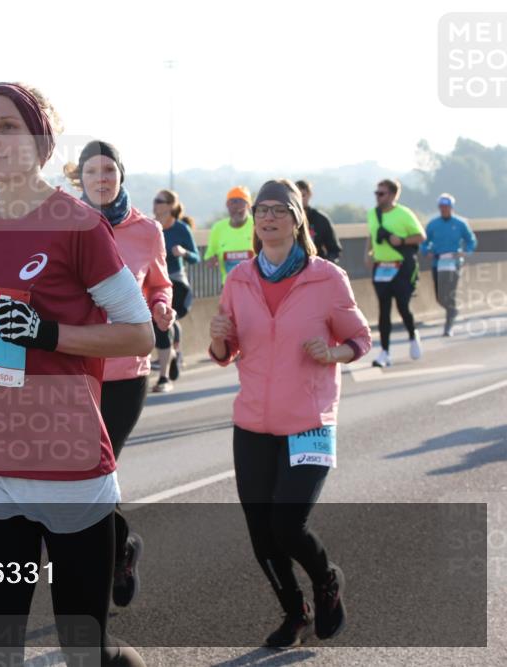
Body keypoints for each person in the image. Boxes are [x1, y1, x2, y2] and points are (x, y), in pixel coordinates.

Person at [0, 82, 149, 666]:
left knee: (82, 651)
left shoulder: (79, 225)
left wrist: (48, 334)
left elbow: (140, 333)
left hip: (69, 465)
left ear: (42, 141)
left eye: (7, 126)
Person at [209, 179, 371, 648]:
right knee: (261, 534)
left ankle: (326, 581)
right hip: (253, 424)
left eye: (280, 209)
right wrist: (219, 337)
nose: (268, 217)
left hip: (309, 422)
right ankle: (293, 611)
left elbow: (360, 340)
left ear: (297, 218)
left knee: (288, 524)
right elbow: (226, 347)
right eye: (262, 209)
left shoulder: (326, 278)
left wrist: (332, 353)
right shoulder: (239, 279)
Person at [65, 140, 172, 607]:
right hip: (75, 368)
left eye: (109, 171)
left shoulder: (146, 230)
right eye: (93, 172)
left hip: (127, 371)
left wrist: (162, 307)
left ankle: (108, 558)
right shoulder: (65, 225)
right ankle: (121, 545)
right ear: (81, 179)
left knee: (98, 467)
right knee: (80, 472)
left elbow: (159, 283)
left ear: (121, 176)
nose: (102, 179)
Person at [365, 178, 427, 367]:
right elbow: (371, 234)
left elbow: (420, 237)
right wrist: (368, 254)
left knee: (402, 306)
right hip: (381, 267)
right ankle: (385, 353)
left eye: (381, 193)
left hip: (402, 267)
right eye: (376, 193)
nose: (378, 196)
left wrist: (400, 241)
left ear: (392, 195)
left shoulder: (404, 214)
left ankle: (412, 333)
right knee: (383, 310)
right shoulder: (372, 214)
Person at [152, 189, 200, 391]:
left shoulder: (181, 229)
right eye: (154, 200)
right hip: (154, 281)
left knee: (164, 321)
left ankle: (164, 376)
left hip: (176, 282)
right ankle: (172, 354)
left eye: (159, 200)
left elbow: (196, 257)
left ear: (170, 206)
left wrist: (184, 252)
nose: (155, 203)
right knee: (159, 323)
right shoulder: (151, 226)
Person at [422, 193, 477, 336]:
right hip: (438, 263)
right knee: (440, 296)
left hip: (454, 263)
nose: (443, 209)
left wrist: (465, 252)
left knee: (450, 293)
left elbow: (471, 241)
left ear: (451, 207)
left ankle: (448, 326)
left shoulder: (460, 223)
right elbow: (424, 242)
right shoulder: (433, 224)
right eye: (441, 207)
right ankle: (452, 310)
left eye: (446, 207)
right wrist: (426, 251)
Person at [204, 186, 255, 285]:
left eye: (240, 202)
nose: (236, 207)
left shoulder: (257, 225)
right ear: (227, 205)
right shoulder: (218, 228)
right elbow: (209, 257)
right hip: (229, 286)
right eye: (232, 202)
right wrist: (211, 261)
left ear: (248, 205)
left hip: (255, 285)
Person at [295, 180, 342, 263]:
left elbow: (334, 250)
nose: (300, 200)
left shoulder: (321, 219)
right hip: (292, 269)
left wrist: (324, 265)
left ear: (310, 195)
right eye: (296, 196)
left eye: (303, 195)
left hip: (316, 267)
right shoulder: (286, 220)